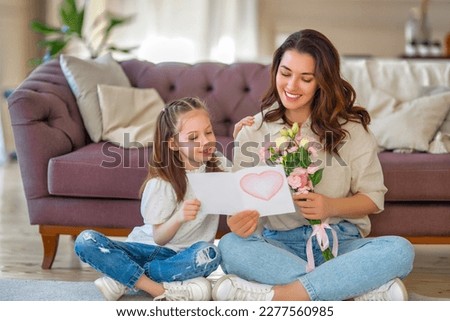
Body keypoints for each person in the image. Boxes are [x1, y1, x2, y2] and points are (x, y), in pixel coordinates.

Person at [212, 29, 415, 301]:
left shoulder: (351, 130)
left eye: (305, 78)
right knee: (229, 245)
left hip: (340, 242)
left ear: (323, 81)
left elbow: (373, 198)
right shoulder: (253, 131)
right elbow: (240, 210)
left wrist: (330, 206)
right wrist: (237, 223)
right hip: (278, 244)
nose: (292, 86)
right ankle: (349, 288)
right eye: (285, 74)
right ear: (275, 72)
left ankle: (283, 295)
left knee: (400, 250)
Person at [74, 97, 229, 301]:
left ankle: (124, 277)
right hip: (145, 249)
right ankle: (159, 290)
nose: (205, 141)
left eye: (208, 132)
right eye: (193, 137)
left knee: (210, 254)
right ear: (173, 144)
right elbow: (159, 238)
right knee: (85, 241)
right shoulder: (162, 182)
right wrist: (179, 217)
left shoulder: (218, 163)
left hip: (181, 257)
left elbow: (244, 182)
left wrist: (241, 135)